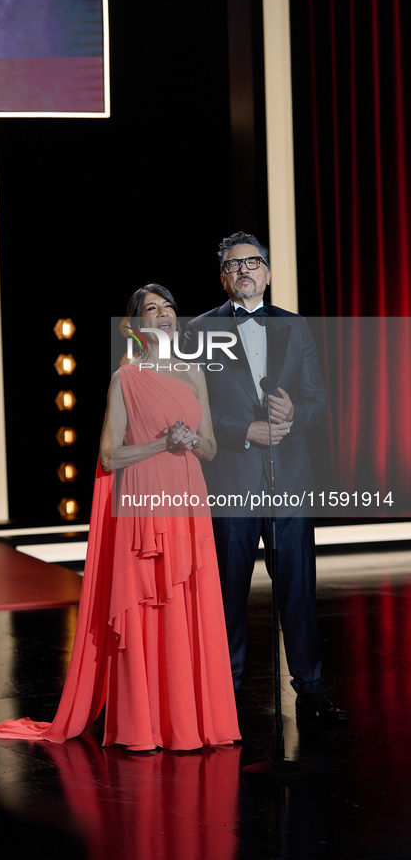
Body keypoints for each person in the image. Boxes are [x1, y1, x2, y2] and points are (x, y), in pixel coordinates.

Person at [0, 284, 240, 750]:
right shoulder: (126, 378)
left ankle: (192, 721)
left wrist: (191, 441)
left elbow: (212, 448)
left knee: (186, 602)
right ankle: (146, 724)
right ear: (136, 326)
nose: (161, 315)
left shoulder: (196, 373)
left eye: (167, 307)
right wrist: (163, 442)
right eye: (150, 310)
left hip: (188, 501)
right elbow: (108, 456)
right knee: (146, 605)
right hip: (144, 502)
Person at [183, 232, 347, 725]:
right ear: (223, 278)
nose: (244, 271)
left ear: (268, 273)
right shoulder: (198, 330)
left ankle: (311, 690)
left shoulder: (295, 328)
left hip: (290, 478)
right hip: (231, 477)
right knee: (228, 593)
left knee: (298, 590)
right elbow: (192, 409)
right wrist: (243, 431)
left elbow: (319, 400)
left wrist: (295, 414)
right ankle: (224, 694)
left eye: (253, 262)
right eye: (234, 266)